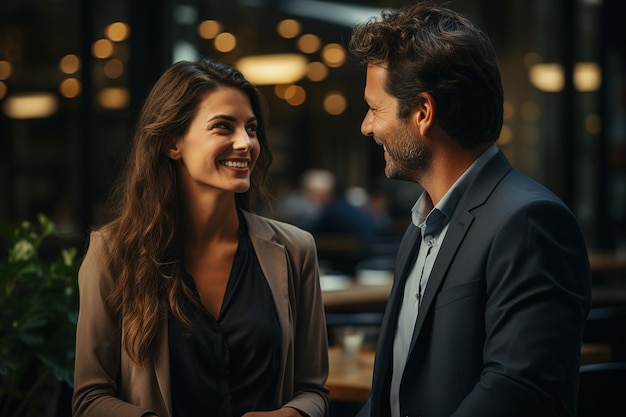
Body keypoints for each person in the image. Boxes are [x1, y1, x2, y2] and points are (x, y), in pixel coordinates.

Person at [348, 2, 591, 417]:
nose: (366, 126)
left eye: (374, 108)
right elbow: (390, 395)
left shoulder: (528, 222)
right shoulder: (420, 227)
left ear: (423, 113)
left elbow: (518, 391)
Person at [72, 58, 329, 417]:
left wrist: (291, 415)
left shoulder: (295, 250)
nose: (245, 143)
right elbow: (90, 399)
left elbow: (313, 390)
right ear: (172, 143)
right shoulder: (113, 254)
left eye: (251, 129)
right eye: (223, 127)